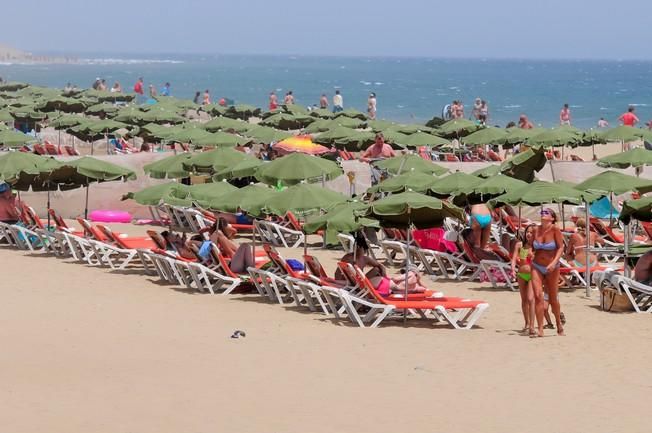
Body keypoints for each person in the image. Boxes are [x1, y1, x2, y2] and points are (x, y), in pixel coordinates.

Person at [334, 233, 427, 295]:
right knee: (395, 285)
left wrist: (383, 273)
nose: (360, 251)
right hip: (353, 282)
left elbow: (379, 266)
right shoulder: (349, 258)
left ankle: (384, 283)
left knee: (377, 269)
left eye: (361, 249)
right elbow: (338, 273)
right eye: (359, 248)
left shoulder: (364, 259)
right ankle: (384, 284)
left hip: (360, 282)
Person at [531, 208, 565, 337]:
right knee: (538, 296)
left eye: (546, 213)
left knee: (553, 298)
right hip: (536, 265)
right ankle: (540, 328)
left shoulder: (555, 229)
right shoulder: (535, 230)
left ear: (552, 218)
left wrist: (553, 262)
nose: (543, 214)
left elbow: (561, 247)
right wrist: (530, 251)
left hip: (552, 266)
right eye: (542, 212)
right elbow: (531, 246)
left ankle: (558, 323)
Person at [511, 224, 536, 335]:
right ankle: (527, 323)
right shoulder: (520, 245)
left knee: (531, 299)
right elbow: (514, 259)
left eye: (531, 232)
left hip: (532, 275)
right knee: (524, 300)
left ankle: (532, 326)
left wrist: (533, 256)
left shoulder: (537, 247)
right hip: (521, 274)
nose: (529, 234)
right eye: (527, 232)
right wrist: (512, 269)